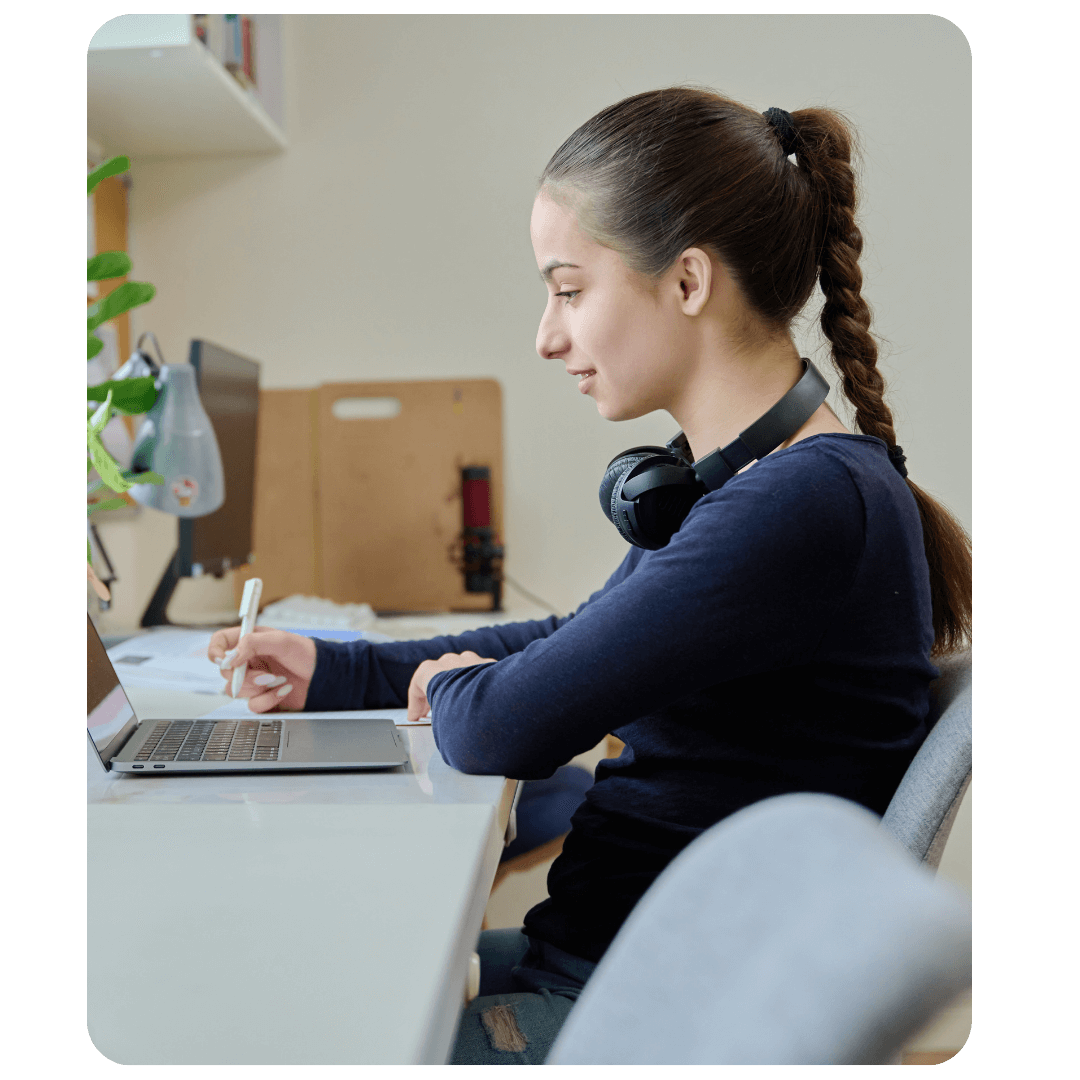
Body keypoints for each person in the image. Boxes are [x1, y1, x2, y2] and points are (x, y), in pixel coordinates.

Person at [208, 86, 972, 1064]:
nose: (547, 335)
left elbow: (507, 726)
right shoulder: (760, 484)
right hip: (604, 968)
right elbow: (571, 639)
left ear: (687, 281)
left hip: (633, 1013)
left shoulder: (800, 504)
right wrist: (340, 668)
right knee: (281, 982)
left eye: (569, 289)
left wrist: (450, 690)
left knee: (243, 1018)